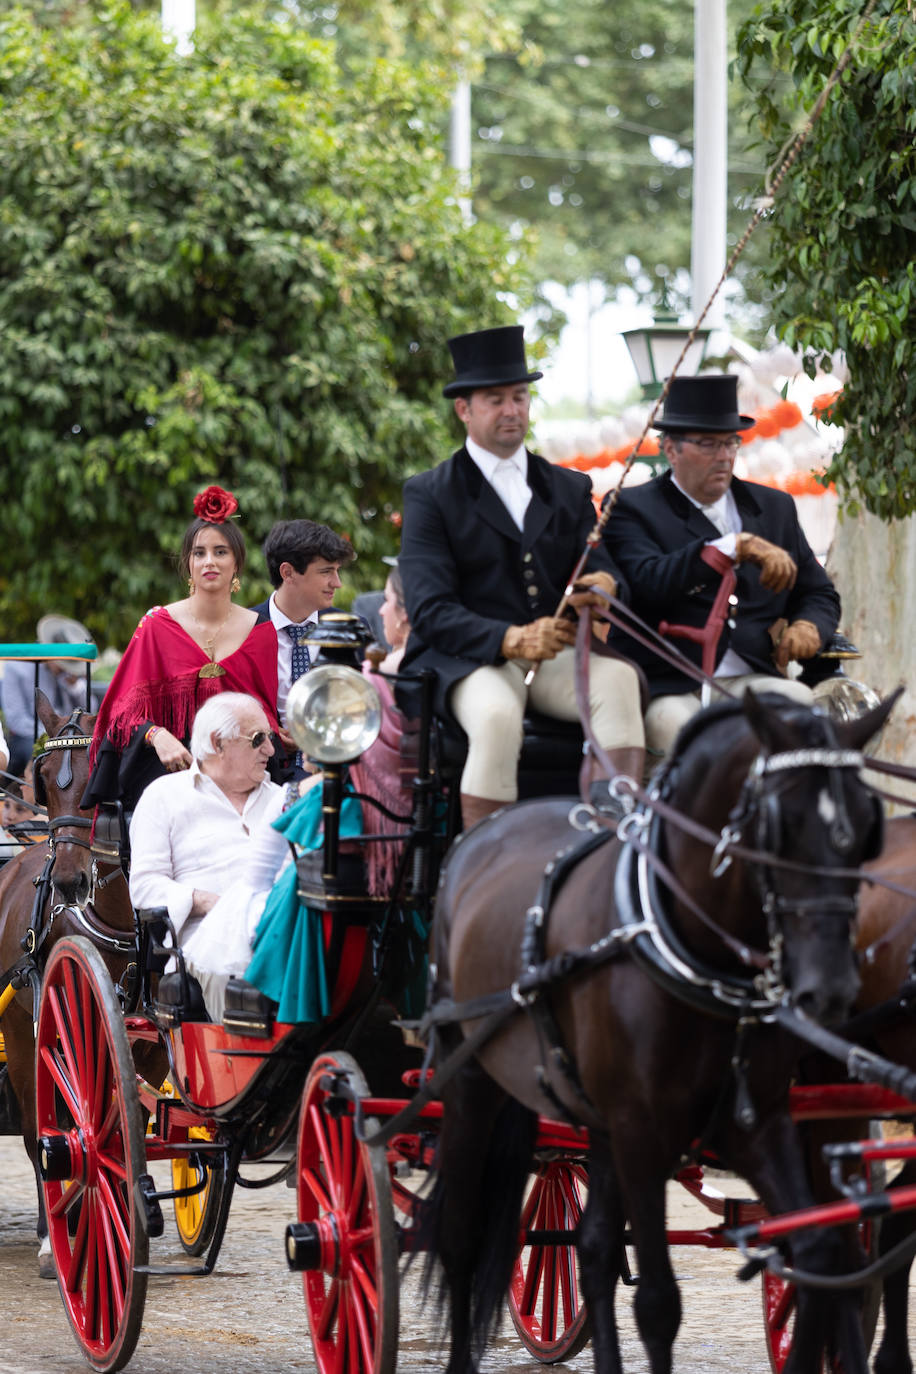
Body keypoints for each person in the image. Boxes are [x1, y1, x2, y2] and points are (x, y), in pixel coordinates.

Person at [398, 324, 645, 829]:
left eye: (519, 396)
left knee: (618, 680)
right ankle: (486, 859)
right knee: (496, 716)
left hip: (551, 657)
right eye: (496, 400)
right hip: (468, 660)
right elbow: (428, 609)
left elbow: (596, 564)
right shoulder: (430, 494)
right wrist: (509, 637)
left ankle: (612, 842)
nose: (512, 410)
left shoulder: (568, 486)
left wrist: (603, 586)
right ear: (464, 409)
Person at [603, 373, 841, 757]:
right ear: (670, 449)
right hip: (671, 684)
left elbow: (817, 591)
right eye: (708, 444)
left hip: (753, 677)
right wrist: (730, 547)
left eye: (731, 442)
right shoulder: (630, 508)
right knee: (703, 748)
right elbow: (648, 583)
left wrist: (809, 625)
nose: (724, 455)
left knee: (805, 717)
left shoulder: (773, 507)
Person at [83, 485, 280, 813]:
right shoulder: (157, 625)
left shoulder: (262, 633)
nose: (209, 562)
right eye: (199, 552)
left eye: (221, 551)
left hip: (241, 781)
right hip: (165, 777)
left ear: (237, 563)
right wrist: (156, 735)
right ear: (188, 563)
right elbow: (120, 712)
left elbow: (265, 718)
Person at [128, 693, 285, 1020]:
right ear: (218, 743)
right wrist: (207, 901)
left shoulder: (283, 800)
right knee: (236, 971)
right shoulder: (164, 796)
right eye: (258, 739)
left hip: (285, 932)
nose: (270, 750)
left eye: (269, 738)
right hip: (210, 946)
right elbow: (143, 887)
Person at [250, 518, 356, 778]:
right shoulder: (244, 631)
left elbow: (361, 709)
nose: (337, 582)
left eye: (337, 571)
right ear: (288, 573)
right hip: (260, 777)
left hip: (333, 776)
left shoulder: (350, 630)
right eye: (326, 572)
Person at [2, 616, 93, 775]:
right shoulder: (15, 669)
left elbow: (91, 711)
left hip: (67, 736)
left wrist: (75, 687)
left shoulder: (65, 676)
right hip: (29, 737)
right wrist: (54, 735)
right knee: (40, 755)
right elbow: (16, 720)